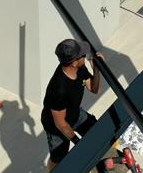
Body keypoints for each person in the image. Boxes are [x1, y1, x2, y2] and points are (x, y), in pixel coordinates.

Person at [41, 39, 103, 172]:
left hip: (74, 113)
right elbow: (61, 124)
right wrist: (78, 143)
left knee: (97, 131)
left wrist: (96, 69)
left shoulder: (79, 68)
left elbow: (94, 88)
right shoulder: (58, 89)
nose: (85, 57)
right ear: (74, 62)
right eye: (82, 55)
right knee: (58, 159)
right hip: (56, 126)